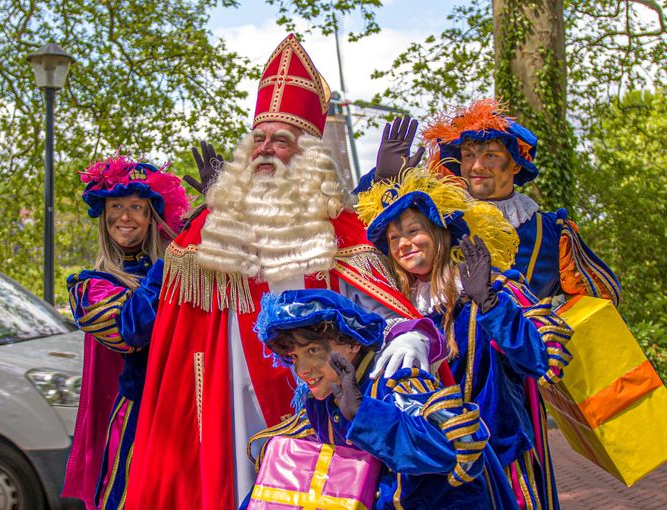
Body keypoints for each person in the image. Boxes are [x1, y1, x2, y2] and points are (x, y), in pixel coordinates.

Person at [124, 34, 448, 510]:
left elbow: (380, 306)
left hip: (321, 403)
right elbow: (166, 325)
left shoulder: (338, 226)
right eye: (259, 138)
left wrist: (409, 335)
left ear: (309, 154)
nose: (266, 150)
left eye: (281, 139)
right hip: (227, 407)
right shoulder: (211, 230)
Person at [357, 169, 573, 510]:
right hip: (434, 466)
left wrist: (490, 303)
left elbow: (540, 360)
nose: (404, 244)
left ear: (440, 233)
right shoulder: (396, 310)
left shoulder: (492, 287)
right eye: (394, 239)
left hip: (499, 459)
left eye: (414, 231)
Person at [244, 289, 518, 509]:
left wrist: (366, 413)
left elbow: (453, 447)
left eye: (313, 350)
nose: (302, 369)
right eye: (294, 357)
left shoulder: (396, 381)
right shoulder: (324, 401)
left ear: (352, 343)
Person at [61, 155, 189, 509]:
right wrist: (177, 257)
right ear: (104, 216)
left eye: (137, 207)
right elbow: (130, 330)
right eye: (117, 206)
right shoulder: (89, 286)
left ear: (152, 218)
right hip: (142, 422)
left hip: (192, 412)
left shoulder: (184, 266)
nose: (125, 216)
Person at [421, 98, 621, 305]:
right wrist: (385, 181)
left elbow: (600, 299)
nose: (477, 166)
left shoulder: (552, 232)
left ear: (516, 165)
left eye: (490, 155)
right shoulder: (439, 220)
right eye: (469, 155)